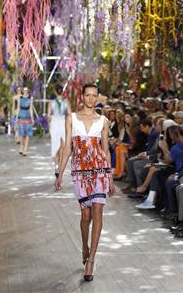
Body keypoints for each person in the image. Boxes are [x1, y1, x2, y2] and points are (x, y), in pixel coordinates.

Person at [55, 83, 115, 282]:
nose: (90, 98)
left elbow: (105, 150)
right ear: (82, 96)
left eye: (94, 95)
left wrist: (111, 178)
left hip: (99, 171)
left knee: (97, 211)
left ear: (97, 97)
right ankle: (84, 246)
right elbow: (67, 149)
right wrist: (60, 174)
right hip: (80, 171)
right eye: (87, 95)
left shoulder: (104, 121)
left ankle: (91, 261)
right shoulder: (71, 118)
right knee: (85, 216)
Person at [46, 85, 70, 178]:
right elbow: (69, 115)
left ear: (55, 92)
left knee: (55, 144)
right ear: (62, 92)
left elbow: (48, 116)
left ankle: (56, 166)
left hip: (55, 123)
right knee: (62, 146)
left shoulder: (51, 103)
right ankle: (60, 166)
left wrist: (48, 124)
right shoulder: (66, 102)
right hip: (63, 123)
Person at [15, 87, 34, 156]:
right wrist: (16, 118)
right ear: (22, 91)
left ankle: (25, 150)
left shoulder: (30, 98)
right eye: (24, 90)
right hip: (21, 117)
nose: (25, 91)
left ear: (28, 91)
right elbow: (18, 108)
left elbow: (31, 109)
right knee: (21, 133)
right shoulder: (19, 98)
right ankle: (21, 147)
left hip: (28, 117)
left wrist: (32, 118)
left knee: (28, 134)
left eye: (26, 90)